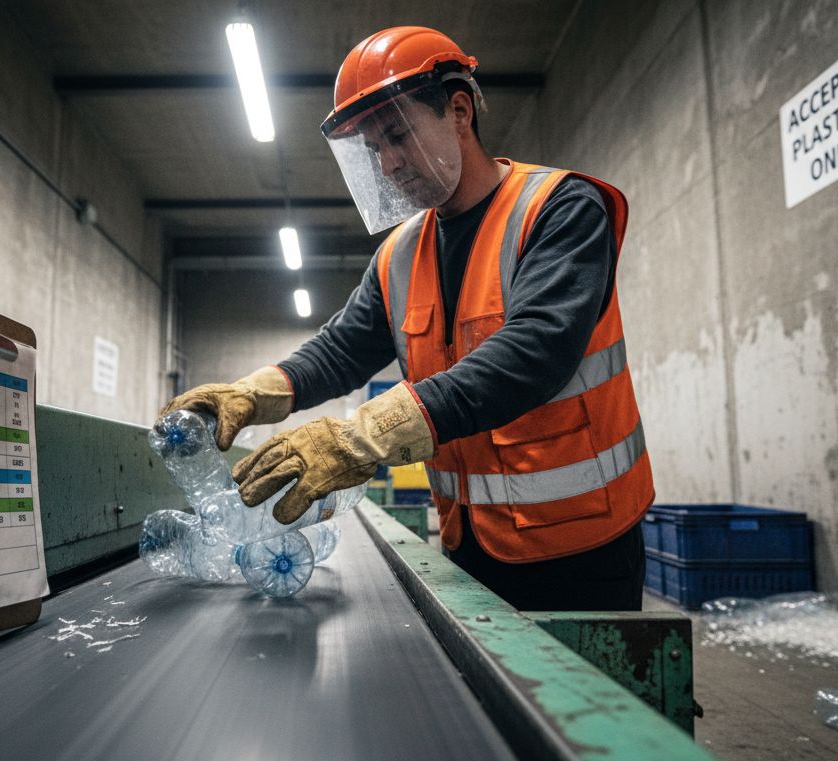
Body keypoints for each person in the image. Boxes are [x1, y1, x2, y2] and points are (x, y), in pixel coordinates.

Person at [162, 26, 654, 611]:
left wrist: (361, 437)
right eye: (373, 148)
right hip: (470, 541)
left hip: (580, 544)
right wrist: (251, 394)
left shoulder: (560, 209)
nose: (388, 162)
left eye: (397, 134)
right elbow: (341, 350)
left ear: (459, 111)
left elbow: (536, 352)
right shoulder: (400, 253)